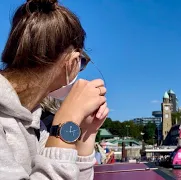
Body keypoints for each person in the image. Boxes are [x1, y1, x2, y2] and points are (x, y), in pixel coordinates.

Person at [0, 0, 109, 179]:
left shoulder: (38, 126)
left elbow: (67, 174)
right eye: (82, 63)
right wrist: (67, 120)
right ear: (73, 61)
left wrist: (86, 132)